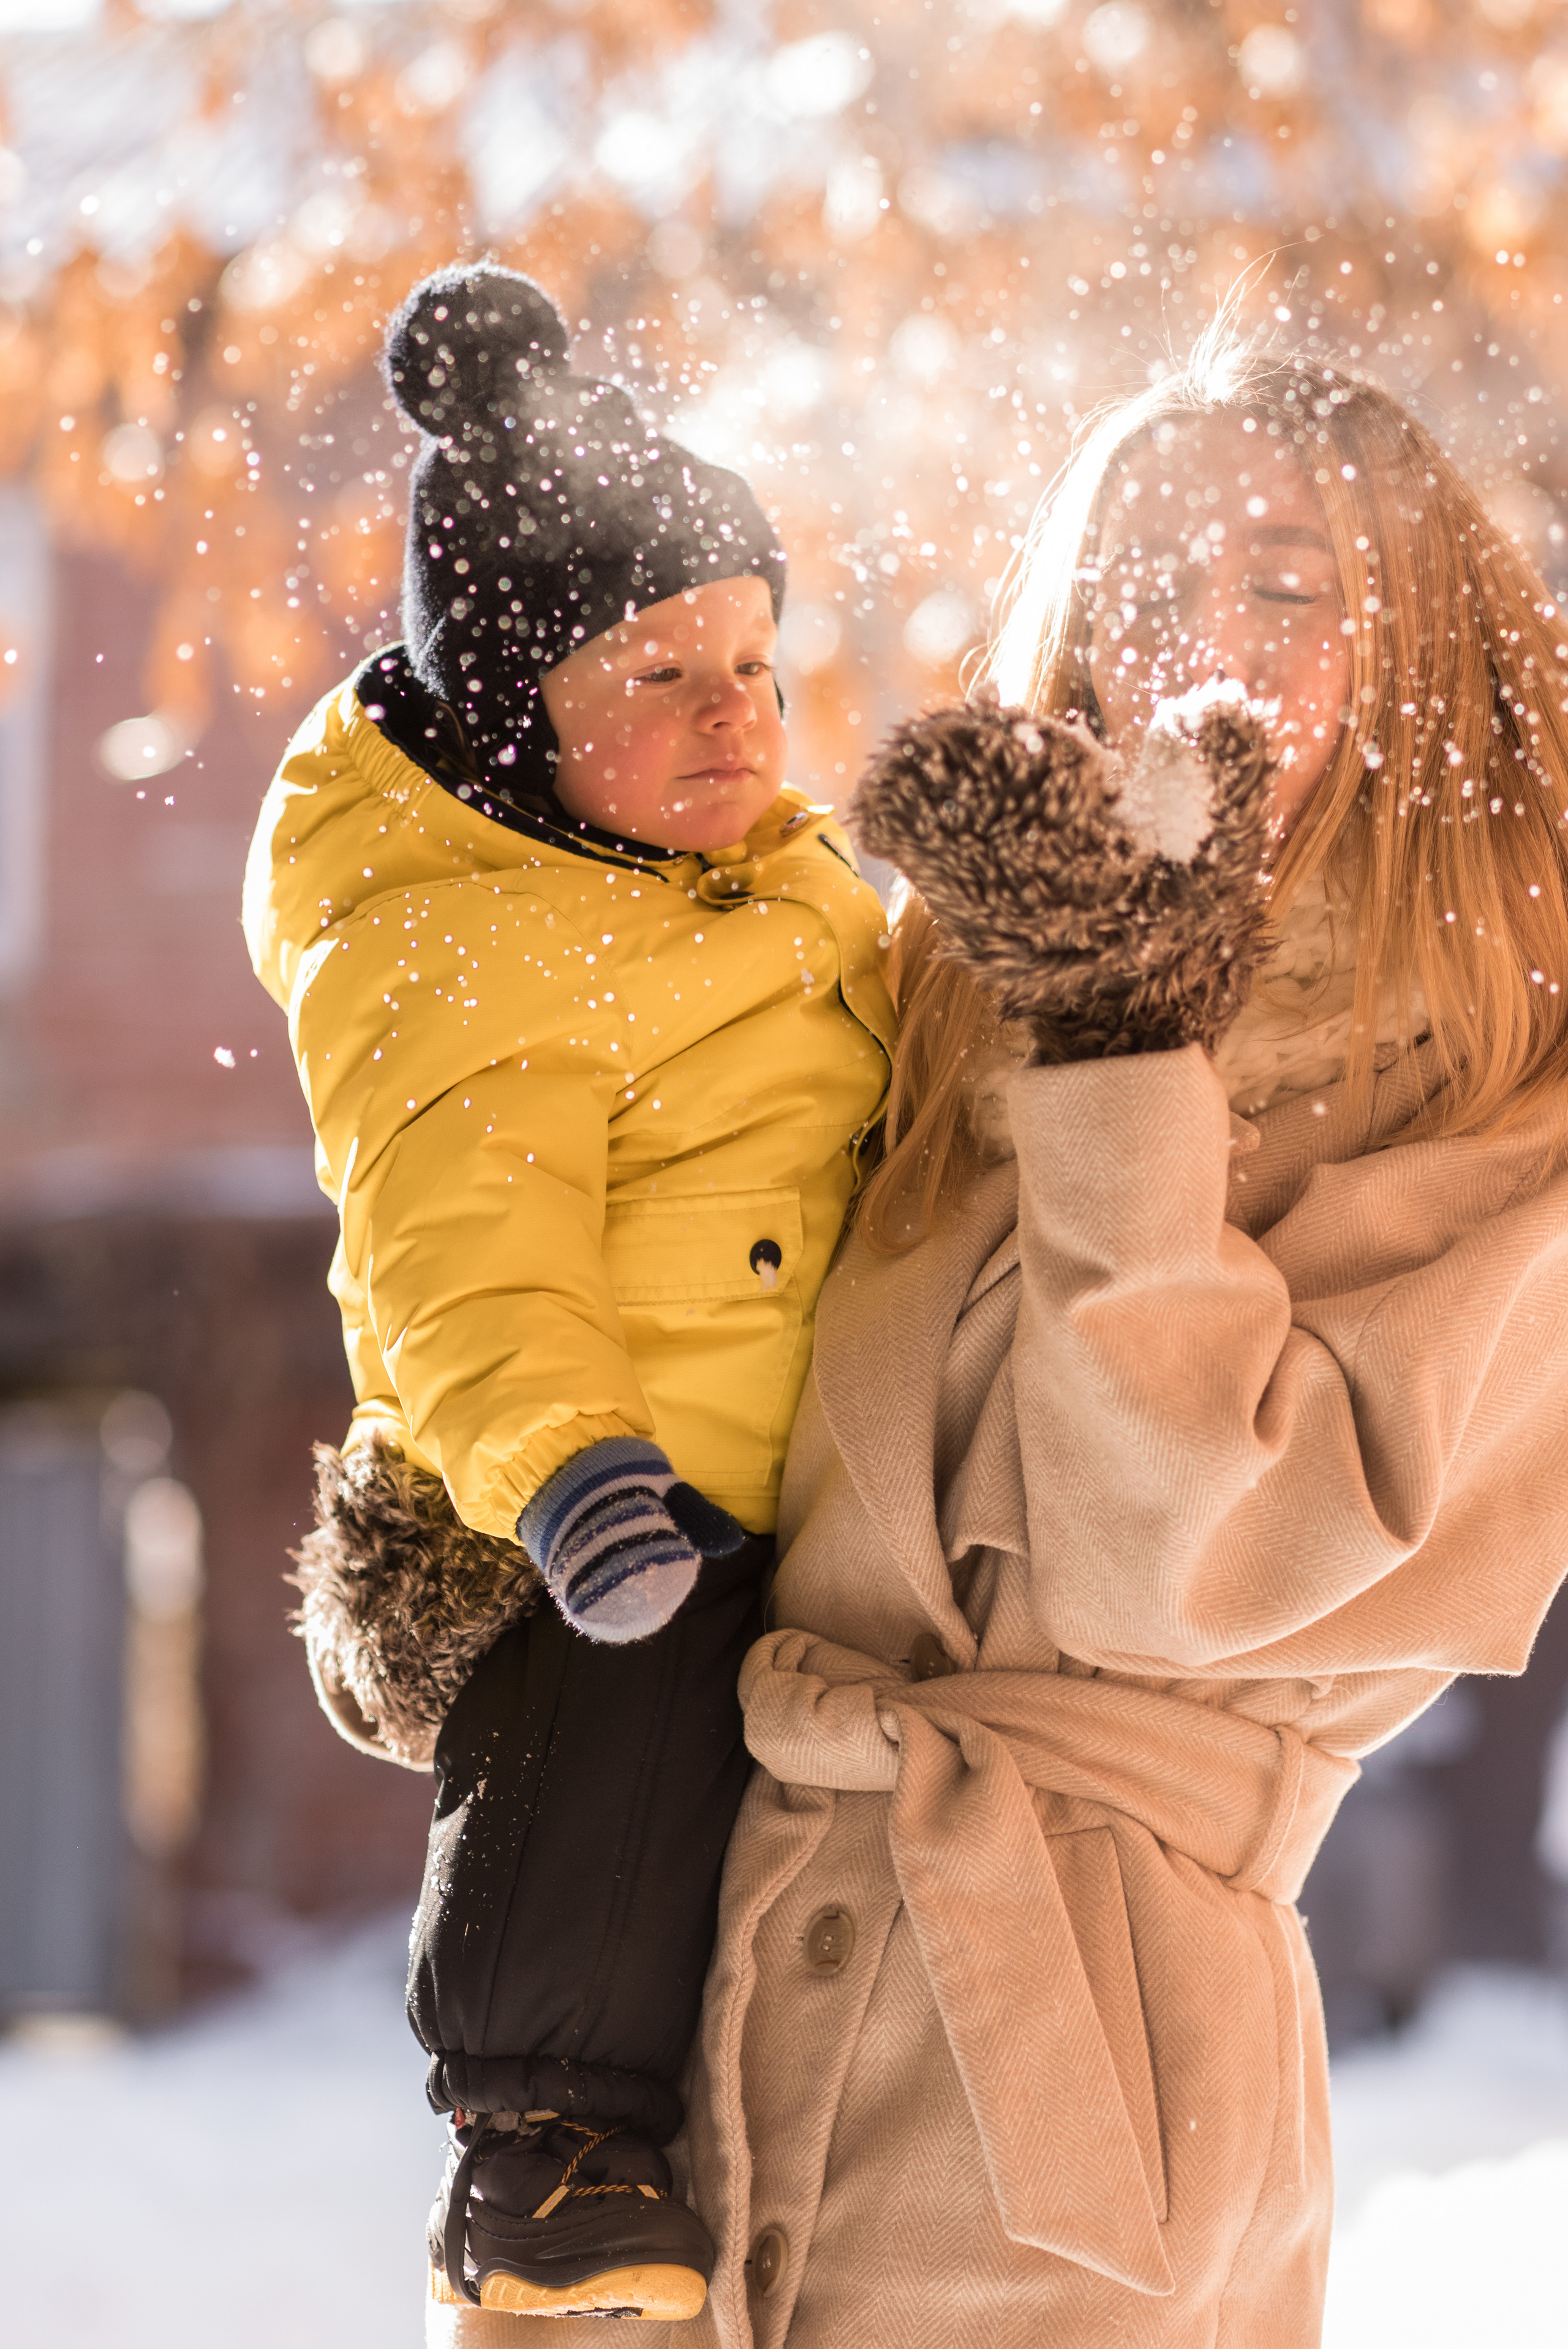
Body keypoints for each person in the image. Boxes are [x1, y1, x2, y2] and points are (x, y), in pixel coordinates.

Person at [678, 332, 1568, 2348]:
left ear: (1422, 650)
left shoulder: (1510, 1104)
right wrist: (502, 1501)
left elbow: (1187, 1565)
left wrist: (1126, 1055)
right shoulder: (937, 998)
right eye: (1147, 578)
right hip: (703, 2011)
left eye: (1285, 580)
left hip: (1086, 2090)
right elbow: (723, 1350)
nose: (1200, 647)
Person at [241, 263, 894, 2323]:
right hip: (608, 1502)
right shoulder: (461, 943)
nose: (738, 718)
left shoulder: (795, 887)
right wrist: (564, 1467)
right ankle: (540, 2154)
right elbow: (459, 1248)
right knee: (594, 1765)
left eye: (759, 666)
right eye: (660, 677)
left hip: (806, 1481)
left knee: (737, 1839)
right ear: (523, 715)